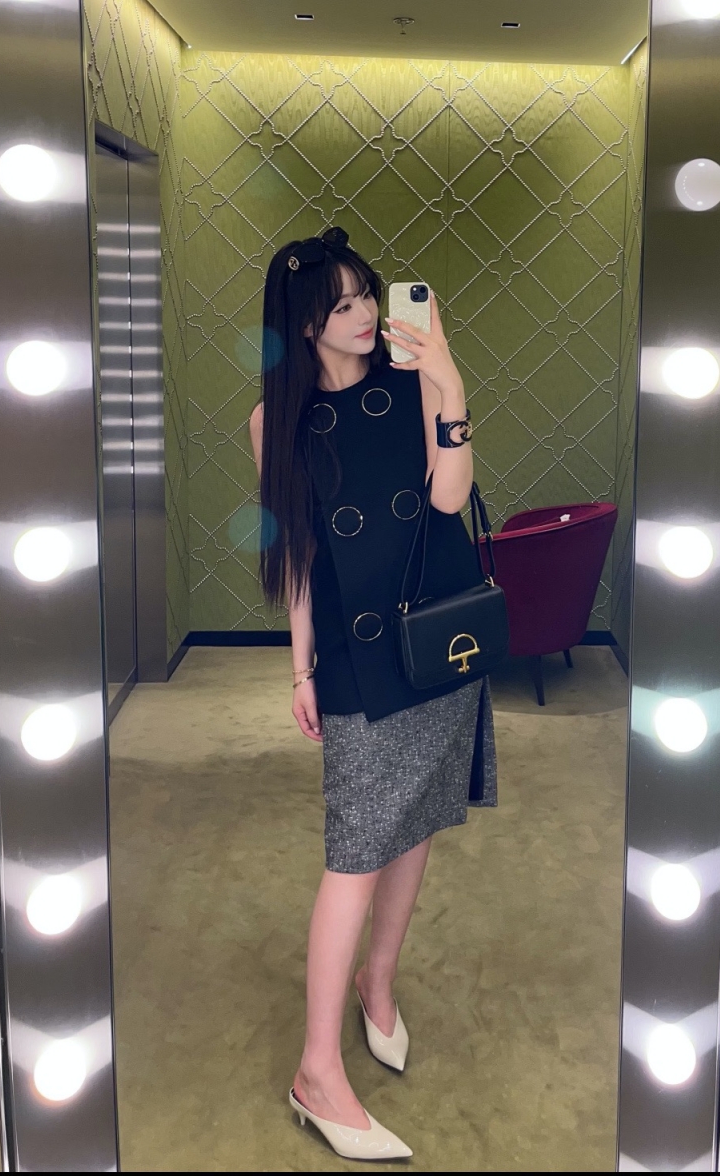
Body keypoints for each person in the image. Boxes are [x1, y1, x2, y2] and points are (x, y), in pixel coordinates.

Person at [250, 227, 497, 1161]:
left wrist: (451, 383)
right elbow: (298, 557)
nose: (361, 315)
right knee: (353, 853)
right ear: (304, 321)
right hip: (357, 657)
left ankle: (377, 982)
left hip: (437, 635)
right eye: (341, 303)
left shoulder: (414, 382)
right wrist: (300, 667)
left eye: (367, 296)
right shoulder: (275, 423)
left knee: (417, 819)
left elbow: (448, 499)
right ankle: (317, 1072)